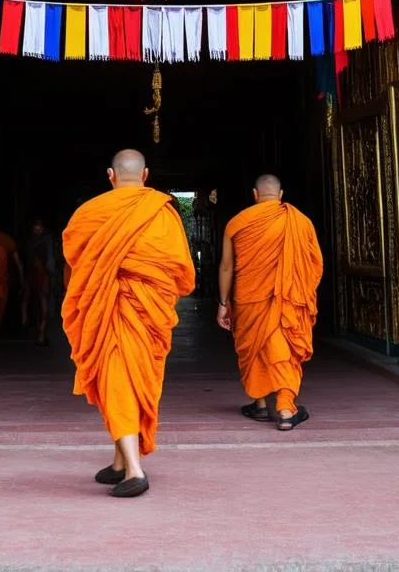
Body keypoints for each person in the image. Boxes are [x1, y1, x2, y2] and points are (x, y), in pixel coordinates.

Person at [62, 149, 195, 498]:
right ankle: (121, 461)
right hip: (144, 309)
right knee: (127, 382)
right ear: (146, 174)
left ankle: (135, 471)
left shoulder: (89, 213)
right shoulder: (163, 213)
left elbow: (74, 260)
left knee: (118, 380)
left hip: (110, 307)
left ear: (110, 174)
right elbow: (180, 270)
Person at [217, 175, 323, 431]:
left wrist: (223, 303)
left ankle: (262, 404)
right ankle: (285, 408)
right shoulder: (300, 222)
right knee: (283, 347)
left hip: (248, 297)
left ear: (255, 194)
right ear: (281, 193)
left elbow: (227, 267)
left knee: (254, 347)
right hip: (288, 297)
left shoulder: (236, 224)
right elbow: (314, 264)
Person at [23, 218, 56, 346]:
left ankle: (41, 334)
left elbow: (50, 258)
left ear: (43, 229)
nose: (37, 230)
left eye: (39, 228)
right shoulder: (29, 241)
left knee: (44, 306)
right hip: (32, 274)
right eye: (35, 228)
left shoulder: (47, 241)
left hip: (43, 275)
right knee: (29, 301)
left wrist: (49, 271)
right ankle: (28, 321)